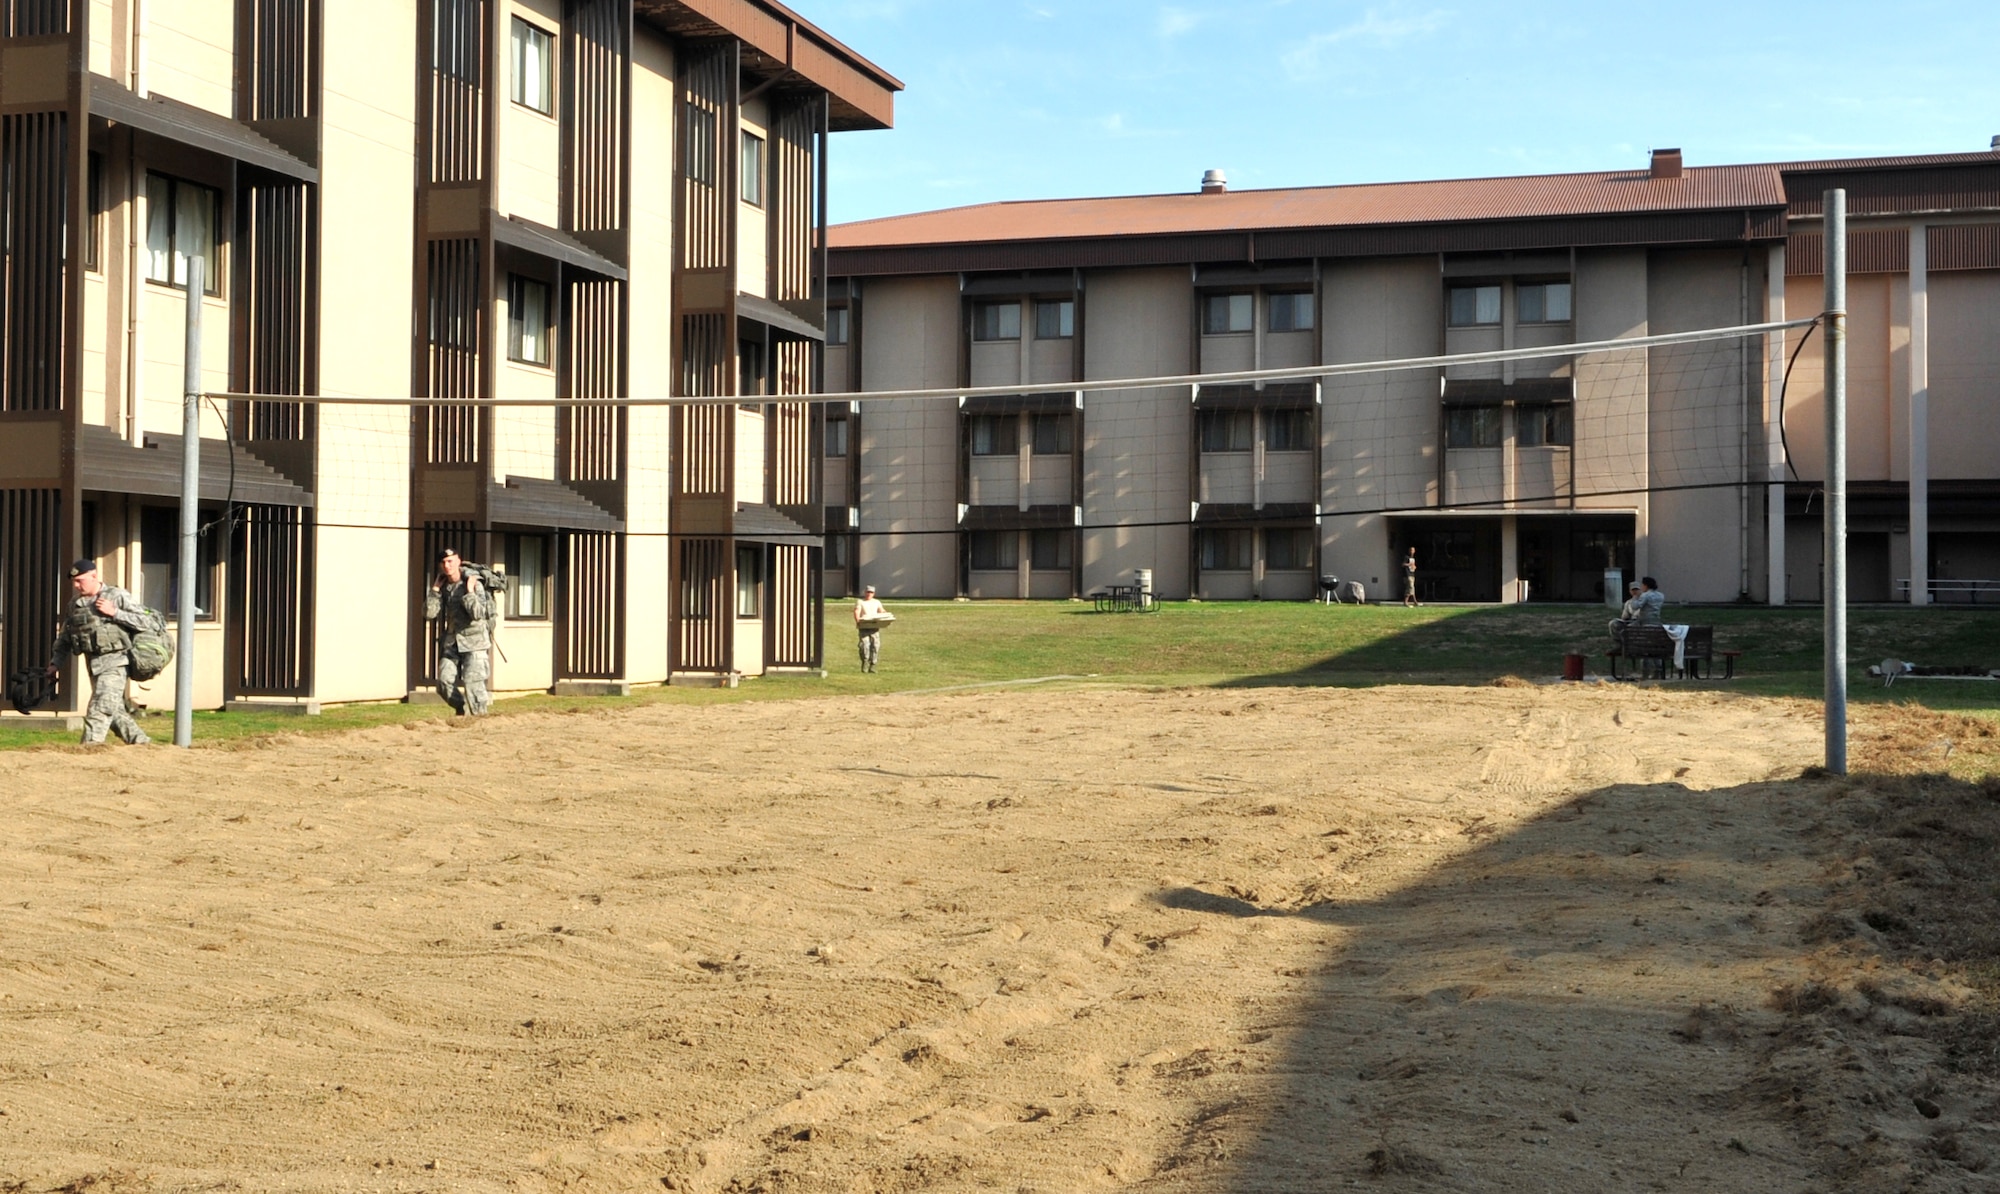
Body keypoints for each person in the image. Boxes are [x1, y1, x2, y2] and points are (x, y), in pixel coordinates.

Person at [47, 558, 157, 745]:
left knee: (100, 707)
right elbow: (65, 636)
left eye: (80, 580)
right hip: (94, 664)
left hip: (116, 662)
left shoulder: (117, 596)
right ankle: (142, 745)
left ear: (94, 576)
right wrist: (55, 663)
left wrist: (115, 613)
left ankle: (89, 749)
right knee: (114, 712)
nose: (76, 585)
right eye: (74, 581)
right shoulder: (75, 604)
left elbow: (147, 622)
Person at [425, 547, 494, 715]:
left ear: (458, 561)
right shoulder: (443, 585)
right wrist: (434, 591)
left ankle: (479, 720)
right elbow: (428, 614)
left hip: (475, 642)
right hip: (453, 642)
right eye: (443, 562)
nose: (447, 565)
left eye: (450, 561)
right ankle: (461, 709)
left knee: (473, 684)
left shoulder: (473, 582)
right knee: (443, 682)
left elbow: (477, 614)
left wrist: (470, 591)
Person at [1609, 576, 1666, 646]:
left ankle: (1623, 645)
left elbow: (1635, 606)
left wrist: (1634, 597)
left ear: (1646, 585)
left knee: (1624, 629)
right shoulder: (1661, 595)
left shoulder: (1645, 595)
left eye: (1642, 585)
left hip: (1643, 622)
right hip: (1656, 621)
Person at [853, 584, 889, 673]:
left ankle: (873, 665)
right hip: (864, 627)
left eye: (871, 592)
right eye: (868, 592)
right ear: (865, 592)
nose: (869, 594)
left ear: (874, 593)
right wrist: (858, 621)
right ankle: (865, 663)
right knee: (864, 646)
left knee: (875, 646)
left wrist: (886, 614)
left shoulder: (876, 602)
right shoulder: (860, 602)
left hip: (874, 627)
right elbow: (857, 611)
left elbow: (881, 610)